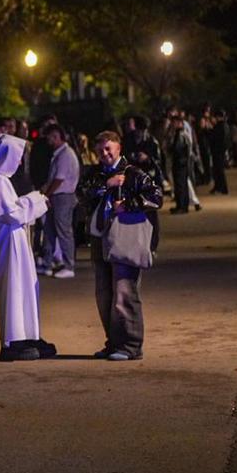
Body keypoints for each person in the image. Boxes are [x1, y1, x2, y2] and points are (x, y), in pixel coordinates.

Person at [79, 132, 163, 360]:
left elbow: (156, 197)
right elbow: (81, 193)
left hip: (126, 237)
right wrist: (107, 184)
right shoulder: (95, 174)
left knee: (124, 292)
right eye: (100, 150)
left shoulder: (134, 174)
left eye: (109, 148)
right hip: (99, 238)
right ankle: (114, 343)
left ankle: (130, 346)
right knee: (104, 294)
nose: (104, 153)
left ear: (119, 147)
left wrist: (129, 204)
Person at [0, 135, 57, 361]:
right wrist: (36, 200)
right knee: (15, 286)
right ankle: (14, 340)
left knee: (24, 286)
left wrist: (33, 201)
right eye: (17, 156)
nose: (19, 162)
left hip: (14, 237)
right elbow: (12, 214)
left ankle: (28, 335)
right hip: (10, 237)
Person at [39, 123, 81, 279]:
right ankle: (48, 263)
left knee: (64, 231)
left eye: (52, 137)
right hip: (58, 196)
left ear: (58, 137)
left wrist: (47, 193)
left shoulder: (65, 155)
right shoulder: (60, 154)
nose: (49, 140)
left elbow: (59, 179)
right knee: (49, 230)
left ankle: (69, 265)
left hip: (63, 196)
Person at [168, 111, 195, 214]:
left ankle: (182, 206)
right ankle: (181, 205)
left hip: (181, 162)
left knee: (181, 185)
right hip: (181, 162)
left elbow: (179, 149)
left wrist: (171, 150)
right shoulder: (180, 134)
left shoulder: (181, 134)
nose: (173, 125)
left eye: (174, 122)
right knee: (180, 184)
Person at [208, 109, 230, 194]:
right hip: (221, 150)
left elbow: (215, 138)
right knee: (217, 170)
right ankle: (218, 187)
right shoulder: (225, 125)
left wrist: (209, 131)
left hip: (218, 151)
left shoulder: (219, 126)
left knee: (219, 170)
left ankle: (222, 188)